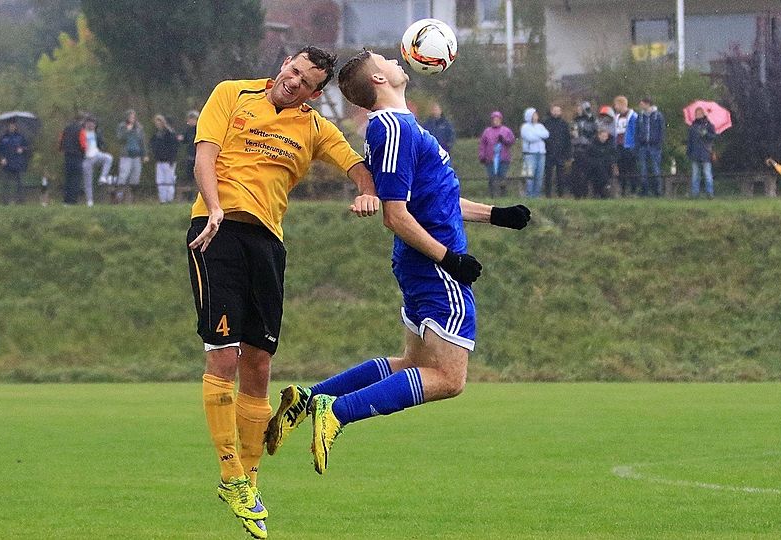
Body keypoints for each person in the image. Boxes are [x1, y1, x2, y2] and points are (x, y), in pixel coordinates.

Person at [264, 48, 531, 487]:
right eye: (385, 59)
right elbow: (395, 214)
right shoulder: (392, 127)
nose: (395, 60)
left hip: (424, 262)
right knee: (448, 378)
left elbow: (434, 203)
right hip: (433, 266)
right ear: (379, 80)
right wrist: (451, 260)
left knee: (412, 362)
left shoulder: (403, 127)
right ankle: (338, 412)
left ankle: (310, 399)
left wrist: (496, 214)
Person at [185, 46, 380, 540]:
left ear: (315, 93)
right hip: (218, 230)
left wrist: (366, 189)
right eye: (290, 71)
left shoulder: (313, 126)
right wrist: (212, 207)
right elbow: (203, 155)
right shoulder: (232, 93)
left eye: (304, 81)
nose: (291, 82)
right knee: (223, 356)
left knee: (259, 364)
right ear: (283, 66)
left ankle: (249, 480)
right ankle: (231, 475)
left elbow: (357, 166)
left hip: (268, 242)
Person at [478, 111, 515, 197]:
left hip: (503, 158)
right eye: (494, 119)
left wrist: (504, 140)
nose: (496, 121)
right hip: (490, 158)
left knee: (502, 176)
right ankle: (492, 195)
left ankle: (503, 195)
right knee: (492, 177)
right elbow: (482, 144)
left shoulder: (506, 130)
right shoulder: (487, 131)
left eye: (497, 119)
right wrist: (482, 155)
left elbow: (512, 141)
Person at [80, 116, 113, 207]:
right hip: (86, 158)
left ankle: (103, 177)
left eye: (93, 123)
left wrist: (101, 146)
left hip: (96, 155)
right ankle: (89, 201)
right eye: (90, 123)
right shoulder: (82, 132)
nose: (92, 125)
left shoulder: (97, 133)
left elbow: (101, 142)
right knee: (88, 181)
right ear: (86, 124)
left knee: (108, 158)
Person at [635, 96, 665, 197]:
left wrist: (658, 143)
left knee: (655, 168)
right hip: (643, 146)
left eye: (642, 103)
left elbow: (661, 131)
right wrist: (638, 143)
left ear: (647, 104)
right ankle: (644, 190)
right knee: (643, 169)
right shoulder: (640, 116)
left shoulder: (658, 115)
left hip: (654, 146)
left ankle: (658, 191)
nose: (640, 105)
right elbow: (637, 131)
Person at [0, 120, 30, 205]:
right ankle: (5, 201)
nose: (12, 127)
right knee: (6, 182)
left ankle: (20, 200)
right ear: (8, 127)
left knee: (19, 182)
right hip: (6, 163)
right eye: (10, 126)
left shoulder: (20, 137)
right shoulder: (3, 138)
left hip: (18, 162)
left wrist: (22, 149)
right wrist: (2, 158)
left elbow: (27, 148)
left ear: (15, 127)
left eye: (13, 126)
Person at [116, 109, 147, 202]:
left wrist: (145, 154)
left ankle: (132, 198)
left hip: (136, 155)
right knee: (123, 176)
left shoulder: (139, 127)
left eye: (133, 116)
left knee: (135, 177)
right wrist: (127, 131)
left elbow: (142, 141)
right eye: (130, 117)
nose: (132, 118)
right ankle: (119, 197)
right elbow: (119, 139)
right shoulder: (122, 127)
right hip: (126, 155)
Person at [687, 107, 717, 198]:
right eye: (696, 113)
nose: (698, 115)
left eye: (700, 113)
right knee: (695, 174)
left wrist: (706, 134)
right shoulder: (692, 127)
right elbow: (690, 140)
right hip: (695, 153)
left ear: (703, 114)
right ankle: (695, 193)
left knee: (707, 173)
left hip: (705, 152)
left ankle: (710, 193)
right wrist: (689, 152)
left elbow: (713, 137)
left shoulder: (709, 125)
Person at [570, 101, 598, 198]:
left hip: (587, 149)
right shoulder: (575, 121)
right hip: (577, 149)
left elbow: (594, 134)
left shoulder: (592, 121)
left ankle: (585, 193)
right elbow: (572, 135)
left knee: (586, 173)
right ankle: (577, 194)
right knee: (576, 173)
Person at [150, 114, 180, 203]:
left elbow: (174, 148)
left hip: (169, 161)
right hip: (159, 161)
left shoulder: (170, 134)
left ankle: (169, 199)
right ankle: (162, 199)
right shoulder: (156, 135)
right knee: (160, 181)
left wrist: (172, 159)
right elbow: (153, 145)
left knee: (169, 180)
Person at [520, 107, 549, 198]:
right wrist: (539, 136)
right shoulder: (525, 127)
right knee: (529, 176)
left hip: (541, 154)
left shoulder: (540, 126)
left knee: (539, 176)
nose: (536, 116)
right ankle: (529, 195)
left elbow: (546, 134)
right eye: (534, 115)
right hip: (529, 154)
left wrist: (536, 134)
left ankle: (537, 195)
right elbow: (529, 138)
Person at [543, 105, 571, 198]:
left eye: (558, 111)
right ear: (551, 111)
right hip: (549, 153)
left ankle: (561, 194)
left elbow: (568, 139)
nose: (556, 112)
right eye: (554, 110)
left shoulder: (564, 124)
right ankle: (548, 194)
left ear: (560, 112)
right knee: (548, 175)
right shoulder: (546, 123)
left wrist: (568, 154)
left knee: (560, 176)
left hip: (561, 153)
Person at [612, 96, 638, 196]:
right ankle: (622, 190)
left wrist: (634, 145)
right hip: (619, 146)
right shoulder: (617, 117)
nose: (615, 107)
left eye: (616, 105)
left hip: (629, 146)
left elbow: (635, 131)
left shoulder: (633, 116)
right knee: (621, 169)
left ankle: (633, 190)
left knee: (631, 169)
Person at [59, 112, 85, 205]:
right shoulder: (81, 130)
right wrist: (84, 153)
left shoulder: (66, 128)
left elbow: (61, 141)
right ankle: (73, 200)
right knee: (76, 179)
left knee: (68, 178)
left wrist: (63, 150)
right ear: (82, 120)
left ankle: (66, 200)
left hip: (67, 156)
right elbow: (83, 144)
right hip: (77, 156)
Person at [586, 127, 618, 199]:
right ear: (599, 136)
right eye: (603, 136)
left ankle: (604, 190)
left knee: (603, 169)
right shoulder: (592, 145)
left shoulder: (610, 145)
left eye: (606, 136)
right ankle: (604, 187)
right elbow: (588, 157)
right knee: (599, 168)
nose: (604, 138)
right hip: (594, 168)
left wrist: (613, 163)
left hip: (607, 167)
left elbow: (614, 155)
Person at [178, 110, 199, 196]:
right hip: (190, 155)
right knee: (189, 177)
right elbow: (185, 140)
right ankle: (190, 195)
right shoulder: (187, 130)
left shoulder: (200, 129)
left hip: (198, 155)